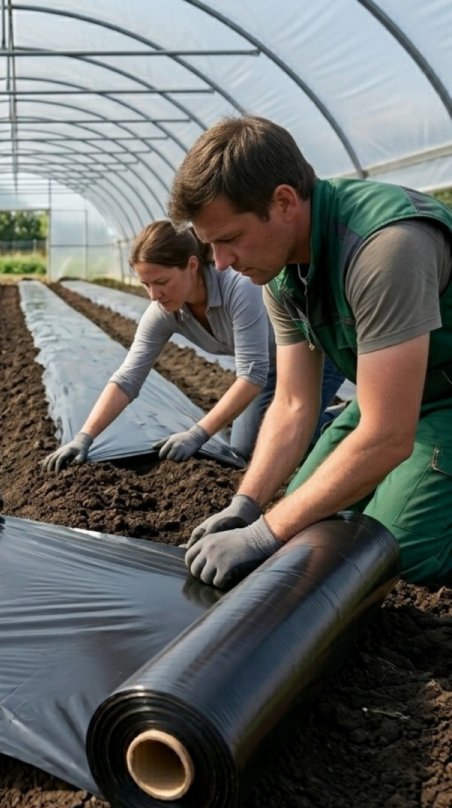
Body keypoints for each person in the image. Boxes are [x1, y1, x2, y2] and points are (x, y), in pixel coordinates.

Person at [168, 115, 452, 589]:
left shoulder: (385, 249)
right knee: (305, 519)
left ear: (283, 202)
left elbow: (387, 434)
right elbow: (294, 402)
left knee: (401, 552)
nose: (222, 263)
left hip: (443, 396)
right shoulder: (279, 272)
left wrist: (264, 534)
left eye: (230, 238)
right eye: (211, 245)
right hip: (398, 393)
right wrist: (247, 507)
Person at [42, 221, 344, 472]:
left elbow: (251, 375)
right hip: (269, 363)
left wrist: (197, 433)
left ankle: (343, 420)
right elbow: (128, 377)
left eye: (161, 282)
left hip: (316, 349)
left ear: (191, 265)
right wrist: (84, 437)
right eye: (146, 284)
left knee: (288, 445)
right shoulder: (164, 311)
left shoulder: (239, 287)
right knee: (244, 451)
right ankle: (322, 418)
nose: (153, 295)